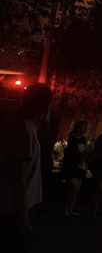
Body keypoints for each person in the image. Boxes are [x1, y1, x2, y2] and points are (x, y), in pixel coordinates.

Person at [0, 84, 52, 252]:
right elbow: (18, 179)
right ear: (45, 106)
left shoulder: (28, 129)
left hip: (18, 208)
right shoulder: (24, 130)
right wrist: (24, 219)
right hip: (14, 210)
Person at [61, 121, 90, 217]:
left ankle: (71, 208)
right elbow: (70, 152)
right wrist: (79, 153)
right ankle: (65, 208)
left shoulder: (83, 139)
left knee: (77, 188)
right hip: (72, 165)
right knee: (73, 187)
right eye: (83, 127)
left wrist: (85, 154)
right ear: (77, 128)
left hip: (79, 165)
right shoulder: (72, 139)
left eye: (85, 127)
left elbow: (84, 150)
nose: (85, 129)